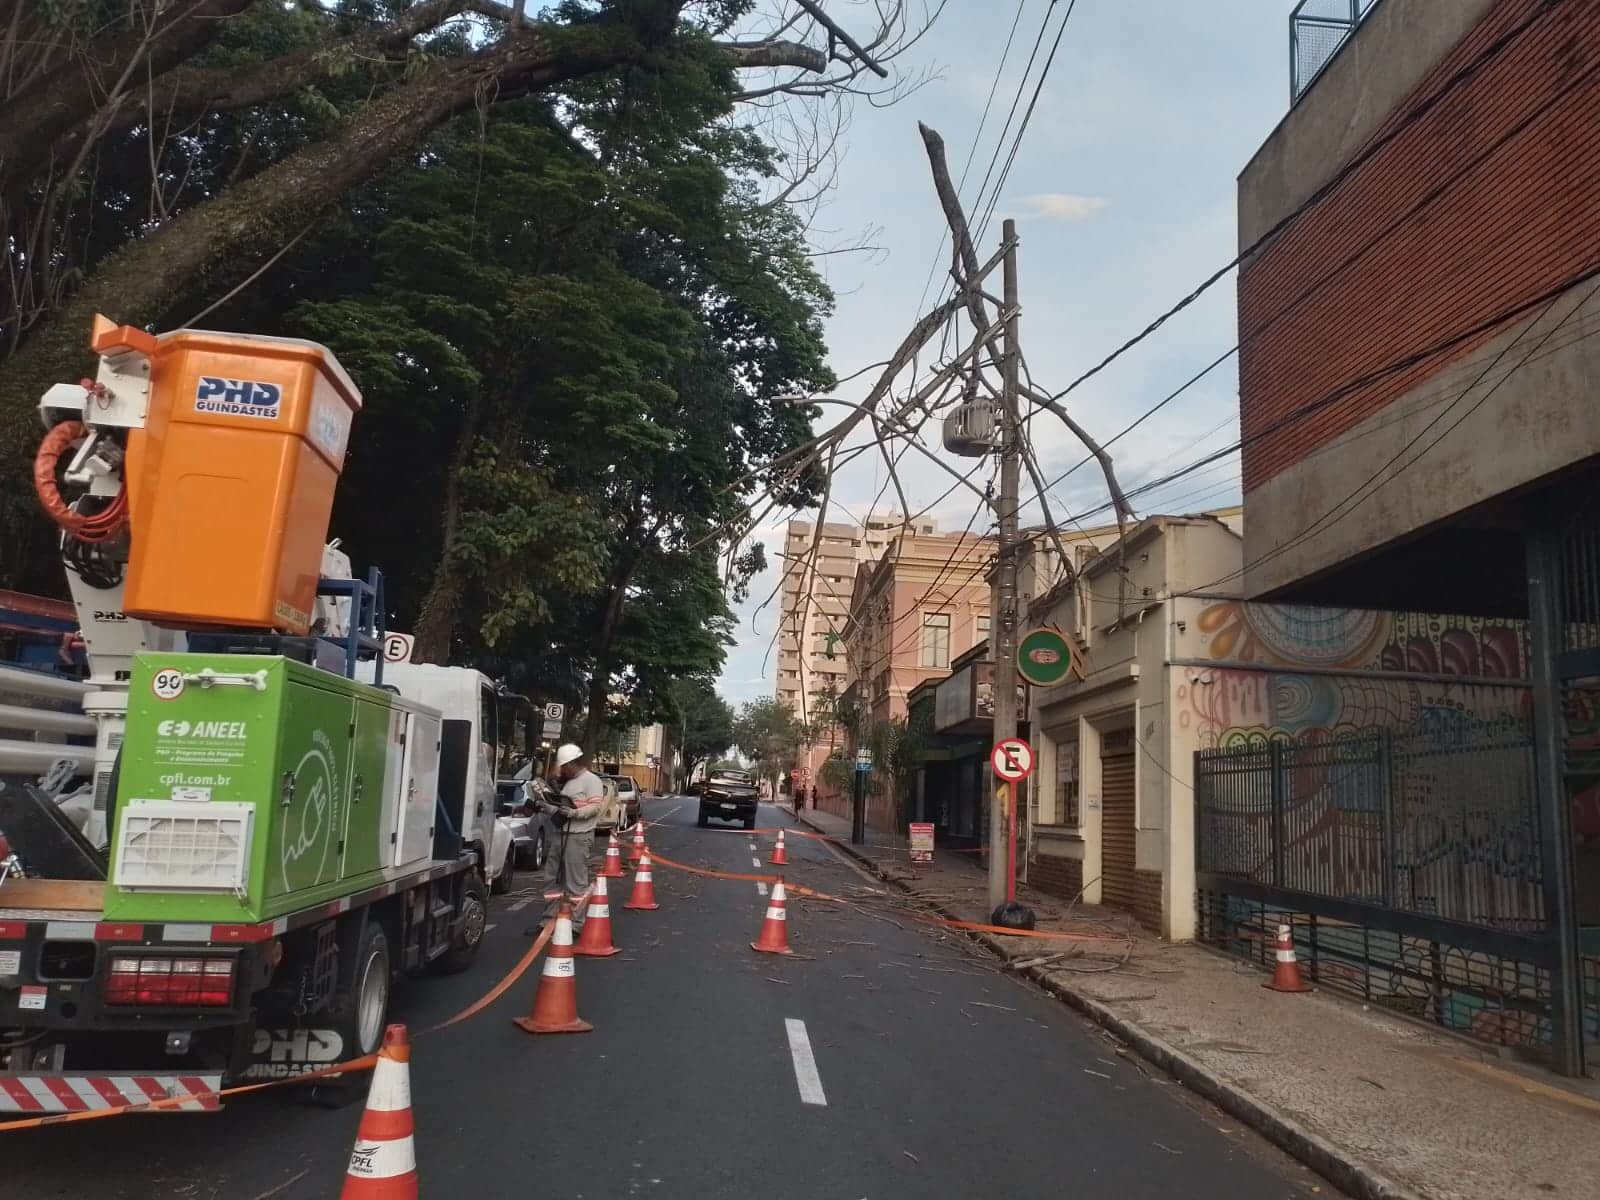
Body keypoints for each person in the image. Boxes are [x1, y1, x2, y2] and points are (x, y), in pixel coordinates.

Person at [526, 743, 605, 934]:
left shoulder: (591, 781)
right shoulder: (569, 783)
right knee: (552, 879)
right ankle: (548, 921)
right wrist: (547, 807)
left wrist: (574, 813)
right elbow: (562, 810)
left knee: (575, 883)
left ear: (571, 764)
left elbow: (595, 807)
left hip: (578, 837)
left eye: (562, 766)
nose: (561, 770)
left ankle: (576, 925)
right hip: (561, 835)